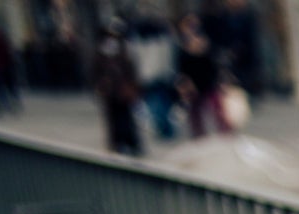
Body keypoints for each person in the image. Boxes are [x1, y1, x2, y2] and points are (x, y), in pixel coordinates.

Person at [95, 19, 144, 156]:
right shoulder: (101, 51)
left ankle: (131, 143)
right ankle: (117, 143)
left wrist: (134, 87)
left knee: (127, 118)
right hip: (110, 91)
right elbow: (96, 71)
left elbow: (132, 70)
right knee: (113, 118)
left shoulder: (125, 50)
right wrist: (100, 84)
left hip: (123, 90)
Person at [175, 14, 228, 137]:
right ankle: (199, 137)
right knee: (195, 113)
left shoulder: (206, 41)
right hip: (192, 84)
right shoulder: (182, 46)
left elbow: (214, 63)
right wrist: (184, 84)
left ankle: (225, 134)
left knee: (217, 108)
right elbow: (181, 68)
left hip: (209, 82)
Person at [129, 10, 177, 140]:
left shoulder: (137, 42)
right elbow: (168, 58)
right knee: (163, 103)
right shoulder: (162, 39)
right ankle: (166, 127)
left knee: (154, 104)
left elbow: (135, 60)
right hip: (160, 75)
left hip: (148, 76)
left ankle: (163, 127)